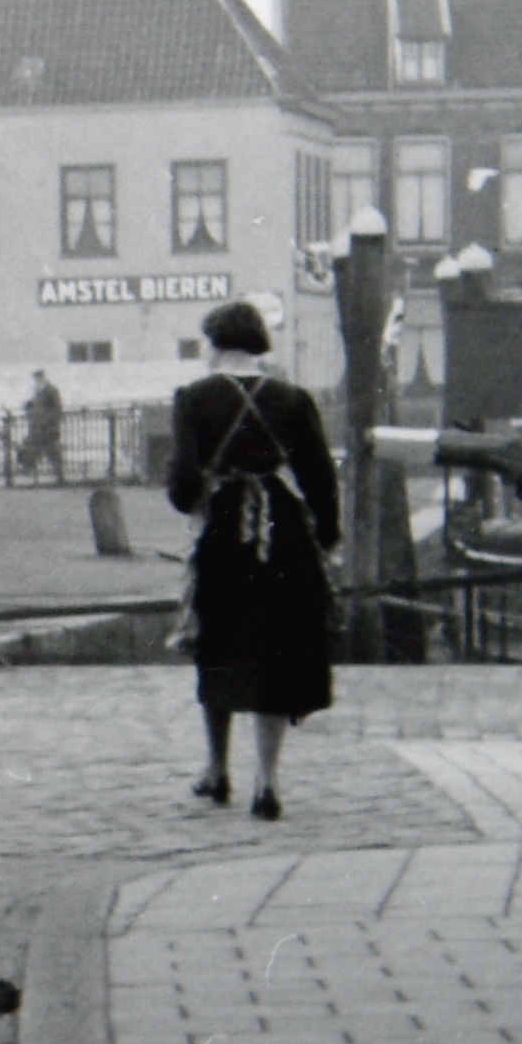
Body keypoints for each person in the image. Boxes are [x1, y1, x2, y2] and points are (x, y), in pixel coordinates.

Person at [164, 299, 341, 820]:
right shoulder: (292, 398)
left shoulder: (193, 398)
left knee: (216, 643)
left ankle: (217, 770)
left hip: (222, 531)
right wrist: (326, 535)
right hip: (282, 532)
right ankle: (267, 780)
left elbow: (183, 482)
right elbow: (319, 477)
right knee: (275, 650)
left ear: (214, 344)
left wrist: (194, 498)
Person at [20, 370, 66, 483]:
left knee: (52, 452)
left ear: (43, 378)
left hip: (48, 428)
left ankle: (59, 475)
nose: (37, 381)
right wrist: (28, 405)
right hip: (38, 428)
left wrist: (52, 423)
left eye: (38, 378)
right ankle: (31, 472)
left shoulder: (51, 390)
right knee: (35, 450)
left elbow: (57, 408)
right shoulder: (38, 391)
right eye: (36, 379)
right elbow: (37, 405)